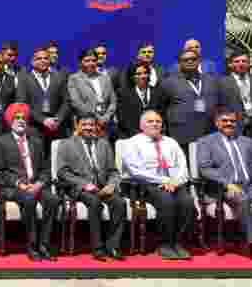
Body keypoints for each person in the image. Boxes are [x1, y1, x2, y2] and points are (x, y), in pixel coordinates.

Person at [118, 110, 196, 260]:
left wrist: (175, 181)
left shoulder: (170, 142)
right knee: (166, 201)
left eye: (158, 121)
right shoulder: (132, 143)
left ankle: (177, 242)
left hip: (173, 183)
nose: (155, 124)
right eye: (150, 121)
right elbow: (135, 170)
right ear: (141, 125)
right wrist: (163, 181)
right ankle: (165, 244)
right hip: (146, 184)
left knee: (187, 202)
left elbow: (182, 166)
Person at [0, 103, 61, 261]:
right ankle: (32, 246)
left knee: (53, 200)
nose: (21, 121)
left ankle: (44, 245)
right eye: (17, 118)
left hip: (35, 185)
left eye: (23, 118)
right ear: (10, 121)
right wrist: (18, 183)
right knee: (29, 199)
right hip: (13, 187)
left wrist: (40, 184)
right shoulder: (1, 142)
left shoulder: (36, 141)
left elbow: (45, 169)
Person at [57, 113, 127, 261]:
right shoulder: (66, 144)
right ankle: (98, 248)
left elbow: (113, 171)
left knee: (120, 203)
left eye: (91, 124)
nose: (88, 127)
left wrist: (112, 184)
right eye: (84, 124)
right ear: (77, 126)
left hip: (102, 187)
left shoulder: (104, 143)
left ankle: (113, 246)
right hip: (80, 188)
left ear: (96, 126)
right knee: (95, 203)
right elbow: (62, 172)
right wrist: (84, 184)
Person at [196, 109, 252, 257]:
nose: (229, 123)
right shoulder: (206, 142)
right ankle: (249, 243)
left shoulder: (247, 141)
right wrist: (227, 183)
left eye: (232, 121)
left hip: (248, 184)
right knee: (243, 198)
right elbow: (205, 168)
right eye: (225, 120)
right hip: (223, 187)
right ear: (217, 123)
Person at [160, 49, 221, 148]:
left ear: (199, 61)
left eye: (193, 59)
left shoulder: (212, 80)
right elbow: (161, 108)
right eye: (185, 60)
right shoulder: (168, 82)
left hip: (209, 132)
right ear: (179, 63)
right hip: (182, 135)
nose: (190, 61)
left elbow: (219, 104)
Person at [68, 48, 116, 133]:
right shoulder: (74, 79)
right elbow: (76, 103)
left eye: (94, 60)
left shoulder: (105, 78)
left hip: (106, 124)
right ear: (80, 62)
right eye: (87, 61)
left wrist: (106, 117)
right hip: (86, 124)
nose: (91, 63)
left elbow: (113, 101)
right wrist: (97, 118)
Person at [116, 62, 165, 139]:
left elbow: (162, 114)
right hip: (133, 136)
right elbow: (123, 118)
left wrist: (156, 132)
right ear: (132, 77)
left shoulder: (158, 92)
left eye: (145, 73)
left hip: (156, 135)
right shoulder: (124, 94)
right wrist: (139, 135)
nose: (142, 76)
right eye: (138, 74)